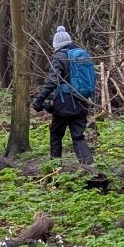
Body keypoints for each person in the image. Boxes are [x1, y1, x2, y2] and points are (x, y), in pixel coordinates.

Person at [31, 26, 95, 166]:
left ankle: (55, 166)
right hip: (82, 100)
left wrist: (39, 100)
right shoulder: (80, 54)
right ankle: (90, 167)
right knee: (78, 136)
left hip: (64, 102)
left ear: (56, 45)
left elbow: (53, 81)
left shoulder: (59, 57)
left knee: (56, 134)